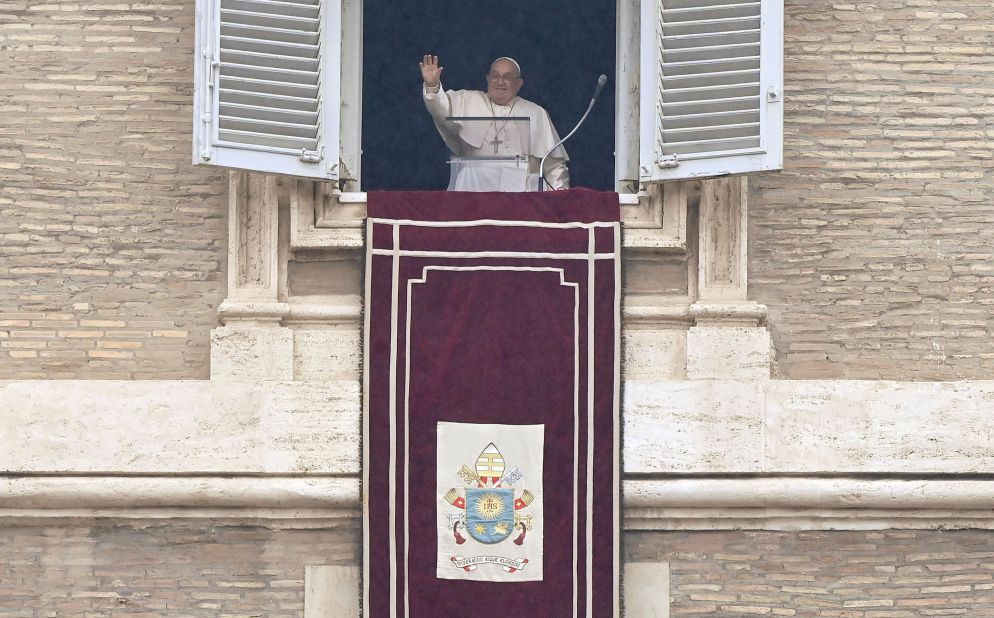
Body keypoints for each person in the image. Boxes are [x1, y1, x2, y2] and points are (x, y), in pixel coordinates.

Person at [420, 55, 570, 191]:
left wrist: (560, 200)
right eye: (495, 76)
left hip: (522, 191)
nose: (500, 81)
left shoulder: (536, 113)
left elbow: (553, 164)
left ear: (519, 83)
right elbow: (441, 110)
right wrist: (432, 85)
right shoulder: (468, 100)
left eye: (507, 77)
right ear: (487, 79)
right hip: (474, 187)